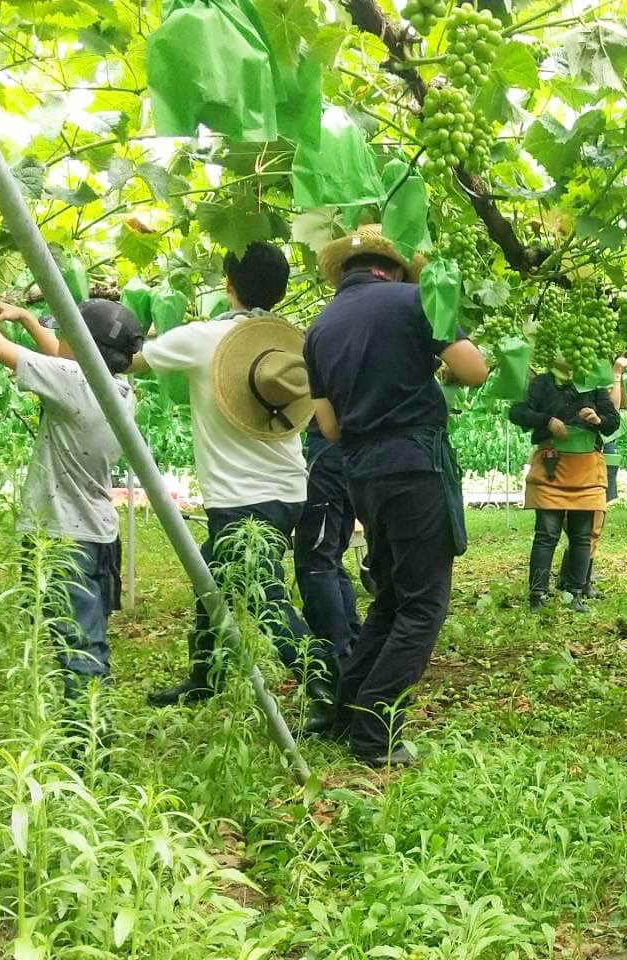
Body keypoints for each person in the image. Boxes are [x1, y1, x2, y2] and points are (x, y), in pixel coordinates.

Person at [305, 225, 489, 767]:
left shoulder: (318, 329)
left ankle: (347, 713)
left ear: (347, 271)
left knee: (390, 598)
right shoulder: (416, 301)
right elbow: (473, 371)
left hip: (362, 475)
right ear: (396, 269)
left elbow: (330, 427)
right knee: (422, 605)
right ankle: (375, 732)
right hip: (415, 466)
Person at [135, 244, 331, 722]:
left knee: (264, 595)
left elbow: (133, 360)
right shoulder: (293, 344)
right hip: (289, 491)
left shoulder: (205, 338)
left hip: (241, 499)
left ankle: (326, 686)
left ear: (228, 283)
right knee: (211, 578)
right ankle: (205, 677)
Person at [0, 292, 141, 709]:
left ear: (84, 347)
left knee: (79, 649)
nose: (59, 337)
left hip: (63, 540)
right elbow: (67, 359)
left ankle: (87, 748)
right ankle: (87, 731)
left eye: (66, 332)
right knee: (87, 639)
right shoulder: (119, 389)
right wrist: (30, 319)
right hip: (98, 533)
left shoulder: (72, 384)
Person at [508, 360, 621, 611]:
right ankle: (537, 595)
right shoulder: (542, 383)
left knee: (582, 536)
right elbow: (516, 412)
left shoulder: (593, 384)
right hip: (552, 467)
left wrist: (597, 419)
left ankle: (575, 593)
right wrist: (547, 420)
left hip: (586, 469)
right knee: (547, 534)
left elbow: (614, 421)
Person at [558, 356, 627, 599]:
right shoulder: (593, 380)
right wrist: (617, 372)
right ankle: (576, 580)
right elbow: (612, 404)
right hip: (582, 456)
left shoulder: (598, 381)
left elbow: (614, 410)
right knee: (587, 523)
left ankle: (575, 579)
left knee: (590, 523)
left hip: (596, 455)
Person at [295, 426, 361, 674]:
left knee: (316, 562)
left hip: (328, 457)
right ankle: (353, 643)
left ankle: (335, 655)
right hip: (352, 456)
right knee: (330, 559)